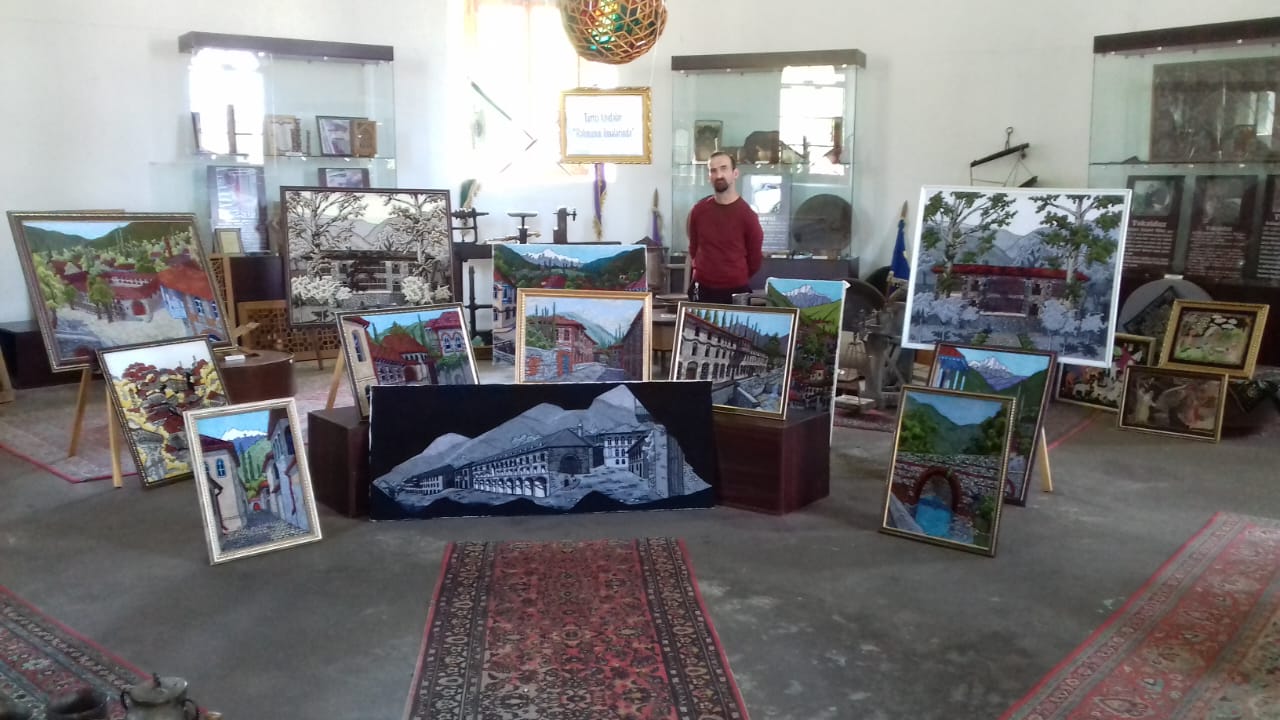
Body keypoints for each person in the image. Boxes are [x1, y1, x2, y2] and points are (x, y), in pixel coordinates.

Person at [686, 151, 764, 304]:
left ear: (735, 173)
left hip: (736, 291)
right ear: (709, 176)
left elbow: (755, 259)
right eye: (713, 171)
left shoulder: (748, 216)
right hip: (702, 289)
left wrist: (733, 275)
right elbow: (693, 247)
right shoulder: (698, 211)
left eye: (723, 168)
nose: (719, 175)